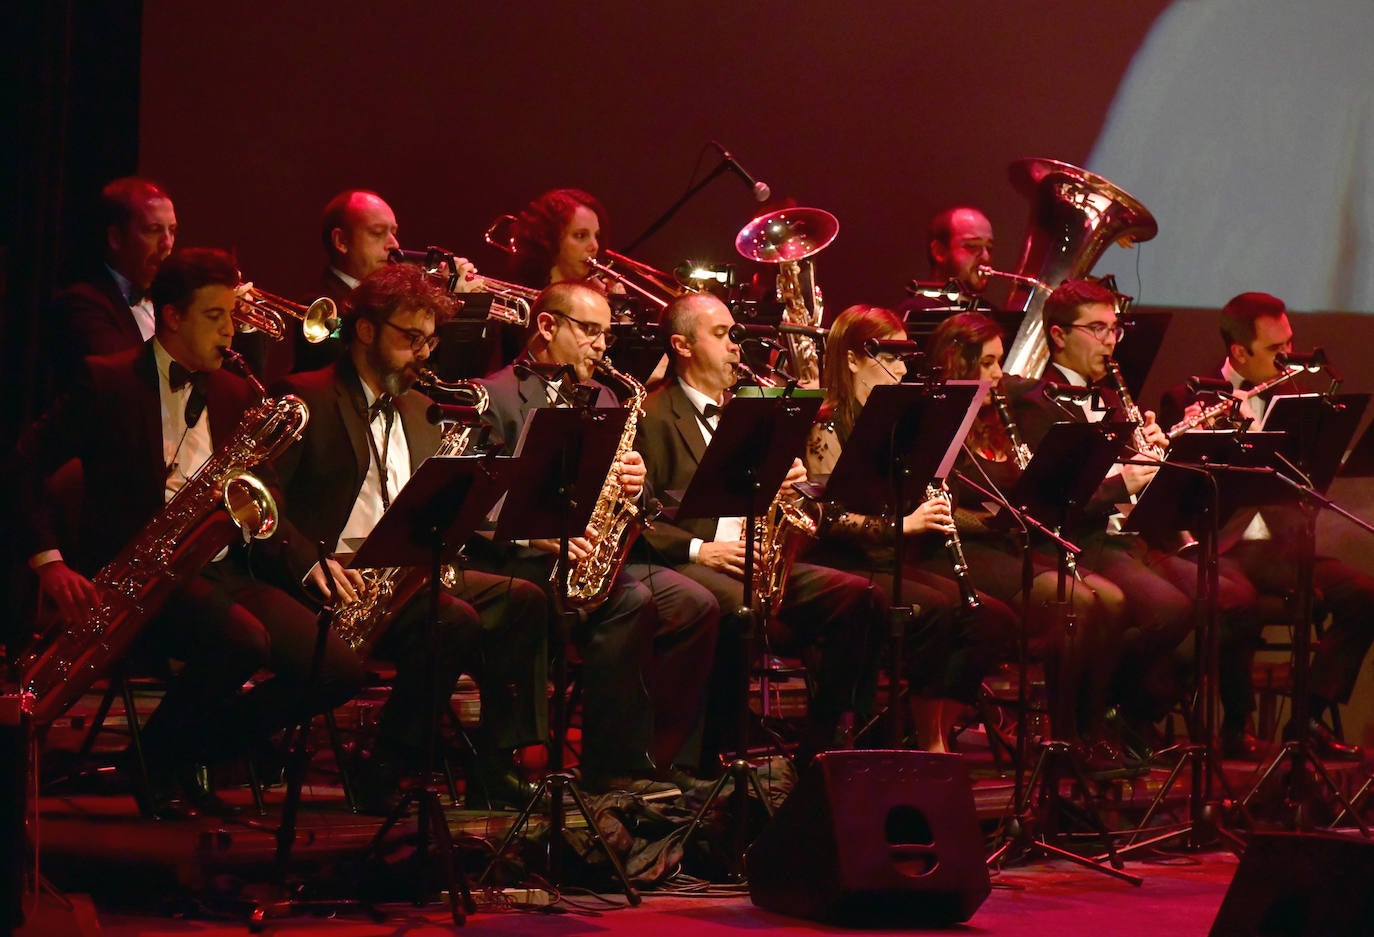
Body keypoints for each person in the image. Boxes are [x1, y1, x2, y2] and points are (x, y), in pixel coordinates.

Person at [17, 247, 363, 820]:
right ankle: (172, 757)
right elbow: (24, 465)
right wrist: (49, 563)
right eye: (214, 316)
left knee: (339, 668)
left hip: (221, 567)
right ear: (172, 317)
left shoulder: (237, 391)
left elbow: (266, 495)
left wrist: (308, 562)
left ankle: (169, 752)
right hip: (136, 577)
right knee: (242, 642)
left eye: (232, 316)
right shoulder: (105, 381)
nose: (231, 331)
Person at [263, 263, 550, 811]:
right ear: (366, 330)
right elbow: (261, 502)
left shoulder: (423, 408)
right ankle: (389, 768)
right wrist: (307, 562)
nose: (424, 353)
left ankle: (494, 765)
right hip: (336, 576)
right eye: (410, 338)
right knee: (452, 620)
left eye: (430, 340)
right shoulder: (306, 395)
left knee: (523, 601)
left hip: (407, 574)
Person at [474, 280, 720, 789]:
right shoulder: (495, 395)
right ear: (547, 326)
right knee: (629, 603)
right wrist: (532, 535)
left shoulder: (606, 394)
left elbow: (645, 500)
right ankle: (611, 766)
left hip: (593, 554)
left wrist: (635, 482)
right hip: (519, 562)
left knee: (695, 604)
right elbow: (478, 498)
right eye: (590, 331)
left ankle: (666, 754)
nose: (601, 346)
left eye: (606, 335)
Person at [636, 291, 887, 766]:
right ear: (682, 346)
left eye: (734, 334)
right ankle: (711, 754)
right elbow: (638, 513)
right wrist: (698, 549)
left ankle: (823, 747)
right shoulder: (652, 415)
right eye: (721, 334)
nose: (736, 345)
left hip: (757, 557)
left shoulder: (754, 410)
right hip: (695, 561)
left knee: (863, 598)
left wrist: (789, 483)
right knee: (739, 609)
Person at [1006, 279, 1214, 759]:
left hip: (1122, 540)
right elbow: (1059, 500)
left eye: (1114, 330)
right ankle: (1091, 721)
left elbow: (1135, 494)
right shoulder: (1033, 406)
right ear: (1058, 336)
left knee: (1204, 605)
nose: (1109, 341)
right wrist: (1128, 481)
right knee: (1170, 611)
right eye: (1097, 329)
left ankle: (1115, 711)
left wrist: (1157, 459)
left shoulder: (1114, 399)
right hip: (1073, 542)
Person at [1158, 291, 1370, 760]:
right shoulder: (1187, 398)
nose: (1287, 359)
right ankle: (1236, 726)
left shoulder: (1294, 400)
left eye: (1289, 345)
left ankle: (1307, 718)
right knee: (1240, 603)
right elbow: (1176, 495)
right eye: (1276, 351)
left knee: (1364, 595)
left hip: (1280, 545)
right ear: (1239, 351)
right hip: (1221, 546)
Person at [803, 306, 1018, 754]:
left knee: (992, 619)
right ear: (852, 359)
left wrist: (935, 502)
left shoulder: (902, 422)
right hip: (841, 563)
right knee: (938, 608)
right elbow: (830, 520)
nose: (902, 368)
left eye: (904, 357)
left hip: (889, 559)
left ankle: (929, 731)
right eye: (890, 355)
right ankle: (921, 743)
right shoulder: (826, 422)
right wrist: (904, 524)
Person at [927, 311, 1133, 763]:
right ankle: (1061, 736)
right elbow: (940, 506)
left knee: (1112, 600)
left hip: (1005, 544)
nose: (998, 375)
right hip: (957, 549)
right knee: (1074, 602)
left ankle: (1090, 726)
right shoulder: (938, 421)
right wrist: (993, 521)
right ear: (958, 365)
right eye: (986, 364)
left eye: (999, 362)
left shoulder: (1002, 417)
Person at [290, 189, 482, 375]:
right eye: (377, 232)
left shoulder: (391, 298)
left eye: (394, 232)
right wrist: (452, 306)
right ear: (341, 241)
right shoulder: (319, 306)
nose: (394, 244)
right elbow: (386, 369)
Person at [47, 177, 177, 394]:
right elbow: (126, 382)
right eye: (153, 230)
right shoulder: (81, 303)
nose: (167, 244)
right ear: (116, 238)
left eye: (172, 231)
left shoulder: (166, 299)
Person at [896, 206, 996, 323]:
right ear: (940, 252)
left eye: (989, 248)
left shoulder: (993, 315)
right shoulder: (915, 314)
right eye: (972, 246)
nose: (986, 257)